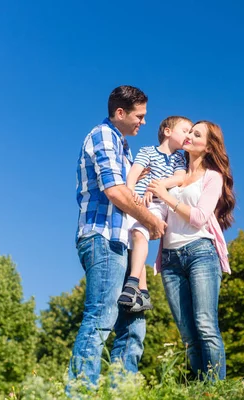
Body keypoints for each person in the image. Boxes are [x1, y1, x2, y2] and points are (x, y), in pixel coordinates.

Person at [69, 85, 166, 387]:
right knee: (101, 317)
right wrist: (151, 221)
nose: (144, 122)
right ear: (120, 113)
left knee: (133, 322)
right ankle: (81, 390)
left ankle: (121, 390)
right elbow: (115, 191)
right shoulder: (103, 136)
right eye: (140, 116)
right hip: (102, 239)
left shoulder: (124, 147)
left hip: (122, 243)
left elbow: (130, 196)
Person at [148, 120, 235, 380]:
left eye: (196, 134)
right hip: (170, 259)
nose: (189, 136)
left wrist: (166, 196)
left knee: (206, 326)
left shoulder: (212, 177)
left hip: (201, 253)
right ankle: (201, 388)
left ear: (208, 147)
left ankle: (216, 389)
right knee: (187, 333)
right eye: (189, 131)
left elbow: (198, 217)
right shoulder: (176, 172)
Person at [117, 116, 192, 313]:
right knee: (133, 243)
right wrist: (130, 190)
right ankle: (144, 292)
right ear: (168, 131)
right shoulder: (147, 151)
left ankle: (132, 283)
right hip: (137, 202)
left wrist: (157, 187)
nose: (188, 135)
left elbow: (180, 178)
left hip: (157, 204)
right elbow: (134, 172)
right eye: (185, 130)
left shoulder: (179, 158)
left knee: (139, 234)